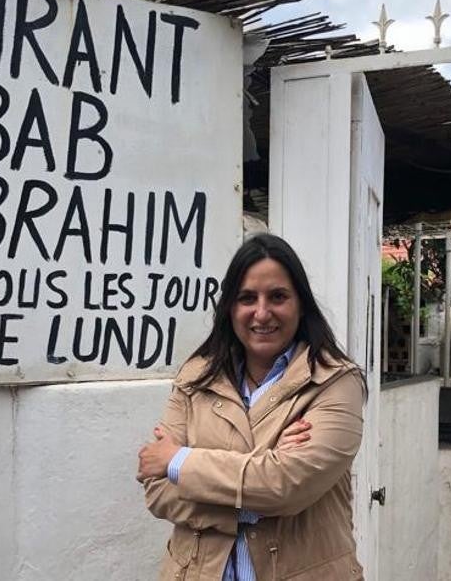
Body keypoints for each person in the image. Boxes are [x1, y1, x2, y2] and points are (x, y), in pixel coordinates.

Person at [136, 233, 366, 580]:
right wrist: (258, 485)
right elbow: (157, 491)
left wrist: (178, 461)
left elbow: (286, 485)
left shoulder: (334, 381)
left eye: (277, 297)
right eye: (247, 298)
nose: (261, 313)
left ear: (300, 304)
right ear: (230, 307)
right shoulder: (194, 378)